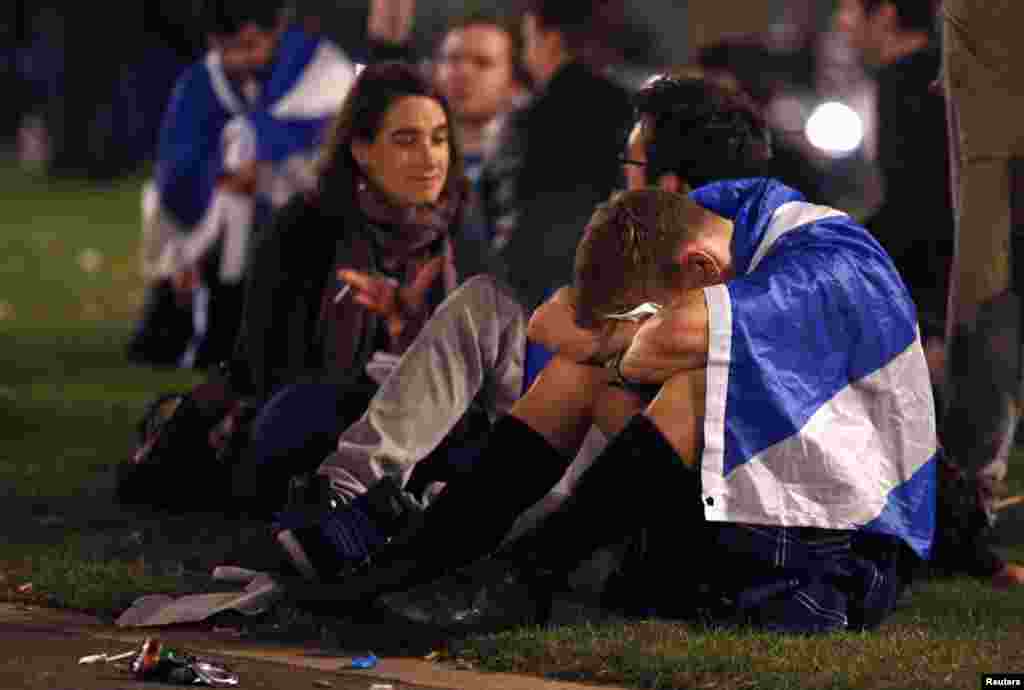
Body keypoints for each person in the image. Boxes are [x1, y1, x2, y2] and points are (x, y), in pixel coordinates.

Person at [285, 175, 937, 633]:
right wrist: (624, 336)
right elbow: (555, 319)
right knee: (581, 371)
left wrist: (622, 340)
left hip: (842, 553)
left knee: (694, 381)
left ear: (701, 271)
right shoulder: (723, 215)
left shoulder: (828, 264)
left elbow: (670, 341)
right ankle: (424, 561)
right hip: (757, 507)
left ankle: (527, 576)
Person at [271, 0, 635, 577]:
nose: (428, 156)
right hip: (463, 395)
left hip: (546, 408)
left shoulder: (512, 171)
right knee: (305, 412)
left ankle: (375, 503)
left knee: (491, 310)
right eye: (452, 60)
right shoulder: (317, 221)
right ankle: (364, 501)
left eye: (437, 139)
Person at [220, 61, 486, 521]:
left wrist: (416, 336)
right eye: (407, 140)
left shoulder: (461, 223)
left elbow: (489, 357)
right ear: (362, 149)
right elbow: (266, 365)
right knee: (296, 416)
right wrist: (377, 370)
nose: (430, 158)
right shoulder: (306, 225)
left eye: (439, 138)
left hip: (435, 413)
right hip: (333, 409)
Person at [127, 0, 357, 369]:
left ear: (276, 31)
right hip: (223, 208)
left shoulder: (320, 69)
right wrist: (223, 178)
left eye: (249, 45)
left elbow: (332, 137)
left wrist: (261, 152)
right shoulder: (201, 83)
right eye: (226, 48)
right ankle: (181, 321)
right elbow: (178, 165)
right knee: (168, 207)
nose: (237, 59)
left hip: (297, 205)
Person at [939, 0, 1024, 588]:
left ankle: (965, 524)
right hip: (1003, 181)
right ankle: (963, 527)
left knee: (992, 336)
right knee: (992, 336)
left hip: (998, 182)